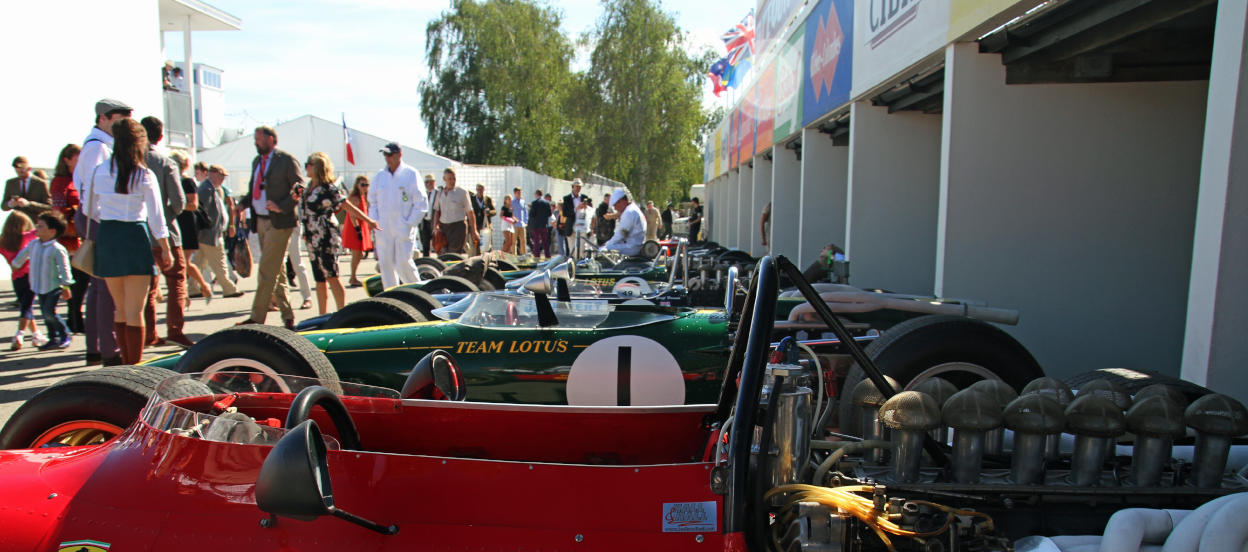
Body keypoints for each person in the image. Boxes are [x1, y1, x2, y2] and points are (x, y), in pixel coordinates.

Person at [85, 118, 173, 364]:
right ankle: (134, 366)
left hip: (109, 236)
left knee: (120, 308)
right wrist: (166, 249)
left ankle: (125, 363)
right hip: (134, 236)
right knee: (135, 310)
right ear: (140, 142)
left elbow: (89, 208)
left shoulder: (99, 170)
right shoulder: (144, 174)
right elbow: (157, 217)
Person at [75, 98, 131, 366]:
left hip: (94, 218)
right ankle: (107, 350)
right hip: (99, 219)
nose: (124, 126)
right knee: (105, 288)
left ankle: (97, 348)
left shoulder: (95, 145)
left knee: (99, 288)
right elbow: (91, 190)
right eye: (120, 120)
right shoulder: (98, 148)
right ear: (104, 118)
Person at [235, 125, 304, 328]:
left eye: (260, 140)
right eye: (255, 140)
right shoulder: (257, 161)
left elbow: (299, 187)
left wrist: (282, 206)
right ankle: (288, 316)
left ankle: (257, 318)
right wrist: (243, 203)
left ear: (272, 140)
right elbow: (253, 189)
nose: (256, 143)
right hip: (261, 221)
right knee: (277, 269)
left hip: (280, 222)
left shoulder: (286, 160)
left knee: (266, 270)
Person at [138, 117, 191, 348]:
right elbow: (179, 201)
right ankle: (175, 329)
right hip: (166, 231)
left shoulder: (131, 160)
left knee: (147, 286)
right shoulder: (165, 162)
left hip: (139, 231)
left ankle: (149, 333)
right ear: (160, 136)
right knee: (176, 281)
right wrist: (165, 213)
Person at [302, 152, 376, 314]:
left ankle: (342, 313)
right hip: (312, 237)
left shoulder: (329, 189)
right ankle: (322, 315)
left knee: (332, 275)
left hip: (326, 236)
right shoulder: (308, 188)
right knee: (319, 279)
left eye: (309, 164)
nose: (305, 166)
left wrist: (369, 221)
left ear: (318, 168)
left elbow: (347, 206)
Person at [11, 213, 74, 349]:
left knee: (49, 312)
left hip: (53, 286)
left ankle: (65, 334)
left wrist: (66, 286)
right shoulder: (33, 244)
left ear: (52, 231)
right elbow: (21, 257)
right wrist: (15, 264)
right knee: (46, 314)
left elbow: (64, 269)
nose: (36, 228)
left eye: (40, 226)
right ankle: (53, 338)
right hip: (38, 286)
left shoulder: (58, 249)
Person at [368, 142, 425, 289]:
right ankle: (391, 295)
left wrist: (409, 223)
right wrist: (375, 221)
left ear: (399, 154)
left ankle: (419, 292)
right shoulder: (380, 176)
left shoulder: (410, 174)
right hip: (383, 228)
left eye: (390, 154)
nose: (387, 158)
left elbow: (421, 203)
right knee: (385, 264)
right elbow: (372, 201)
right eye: (385, 155)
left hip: (403, 227)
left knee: (403, 263)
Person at [48, 144, 89, 334]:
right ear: (67, 160)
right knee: (75, 281)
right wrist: (76, 211)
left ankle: (75, 317)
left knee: (82, 282)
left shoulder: (80, 179)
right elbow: (58, 212)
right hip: (69, 238)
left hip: (81, 236)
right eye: (77, 157)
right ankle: (74, 318)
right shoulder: (60, 182)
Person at [167, 151, 212, 303]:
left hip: (187, 225)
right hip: (176, 223)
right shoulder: (172, 180)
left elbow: (193, 205)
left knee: (183, 262)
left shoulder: (187, 182)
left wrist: (176, 205)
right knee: (179, 262)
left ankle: (200, 288)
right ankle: (191, 290)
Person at [195, 165, 243, 298]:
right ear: (212, 174)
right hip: (210, 233)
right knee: (219, 261)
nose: (223, 179)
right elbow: (201, 211)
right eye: (221, 176)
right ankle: (229, 289)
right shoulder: (206, 189)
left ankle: (192, 288)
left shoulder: (212, 188)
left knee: (199, 263)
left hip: (208, 233)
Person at [0, 212, 43, 350]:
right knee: (27, 307)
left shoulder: (2, 241)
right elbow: (42, 230)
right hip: (31, 275)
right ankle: (19, 334)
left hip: (16, 278)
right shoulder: (27, 236)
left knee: (26, 306)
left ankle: (36, 334)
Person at [432, 167, 475, 255]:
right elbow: (437, 210)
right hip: (444, 227)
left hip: (458, 227)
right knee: (442, 253)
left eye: (454, 178)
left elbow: (470, 212)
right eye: (449, 179)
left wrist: (474, 231)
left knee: (454, 253)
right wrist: (435, 226)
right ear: (444, 179)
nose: (452, 181)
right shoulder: (440, 193)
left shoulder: (462, 192)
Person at [343, 175, 375, 287]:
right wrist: (358, 230)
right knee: (357, 253)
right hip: (355, 227)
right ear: (357, 185)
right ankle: (353, 277)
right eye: (362, 185)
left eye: (367, 185)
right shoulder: (354, 198)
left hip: (361, 226)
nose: (365, 187)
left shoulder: (363, 197)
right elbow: (352, 215)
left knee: (359, 254)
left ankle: (353, 277)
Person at [6, 156, 52, 220]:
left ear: (29, 168)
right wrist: (10, 204)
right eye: (17, 172)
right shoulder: (10, 183)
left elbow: (49, 207)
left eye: (22, 171)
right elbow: (3, 206)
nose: (20, 174)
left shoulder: (41, 183)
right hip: (17, 223)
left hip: (35, 224)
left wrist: (29, 204)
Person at [603, 189, 646, 257]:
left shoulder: (629, 212)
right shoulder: (633, 208)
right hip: (636, 244)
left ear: (621, 201)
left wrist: (606, 245)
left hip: (632, 247)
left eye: (615, 205)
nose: (615, 209)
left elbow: (620, 234)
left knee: (605, 248)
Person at [558, 179, 589, 257]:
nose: (578, 188)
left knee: (581, 249)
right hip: (571, 226)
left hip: (582, 225)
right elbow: (565, 213)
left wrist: (586, 207)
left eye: (579, 187)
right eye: (576, 186)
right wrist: (576, 208)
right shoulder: (567, 198)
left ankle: (581, 264)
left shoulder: (584, 197)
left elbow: (589, 211)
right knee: (572, 249)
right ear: (573, 187)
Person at [527, 189, 552, 260]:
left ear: (536, 194)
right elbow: (549, 213)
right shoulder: (547, 203)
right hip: (544, 224)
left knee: (536, 241)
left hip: (535, 225)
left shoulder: (534, 203)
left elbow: (531, 214)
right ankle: (547, 255)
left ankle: (537, 256)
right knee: (545, 241)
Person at [472, 183, 495, 254]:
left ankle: (488, 258)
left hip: (486, 227)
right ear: (476, 189)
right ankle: (475, 256)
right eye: (478, 189)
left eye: (481, 189)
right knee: (475, 244)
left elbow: (494, 211)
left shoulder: (488, 199)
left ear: (484, 190)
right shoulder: (472, 199)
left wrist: (489, 212)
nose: (480, 191)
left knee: (487, 244)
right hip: (476, 226)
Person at [418, 173, 438, 257]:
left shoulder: (438, 193)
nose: (428, 184)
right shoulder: (423, 193)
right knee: (425, 244)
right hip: (424, 222)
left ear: (434, 182)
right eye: (426, 182)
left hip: (434, 221)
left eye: (430, 182)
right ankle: (426, 260)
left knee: (438, 244)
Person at [510, 187, 527, 256]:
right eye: (518, 193)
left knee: (523, 241)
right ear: (515, 193)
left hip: (522, 224)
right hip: (514, 225)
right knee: (514, 242)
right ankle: (514, 255)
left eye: (520, 192)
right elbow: (509, 213)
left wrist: (526, 221)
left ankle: (524, 255)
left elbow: (525, 211)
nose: (520, 194)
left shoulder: (523, 201)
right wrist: (512, 219)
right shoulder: (512, 202)